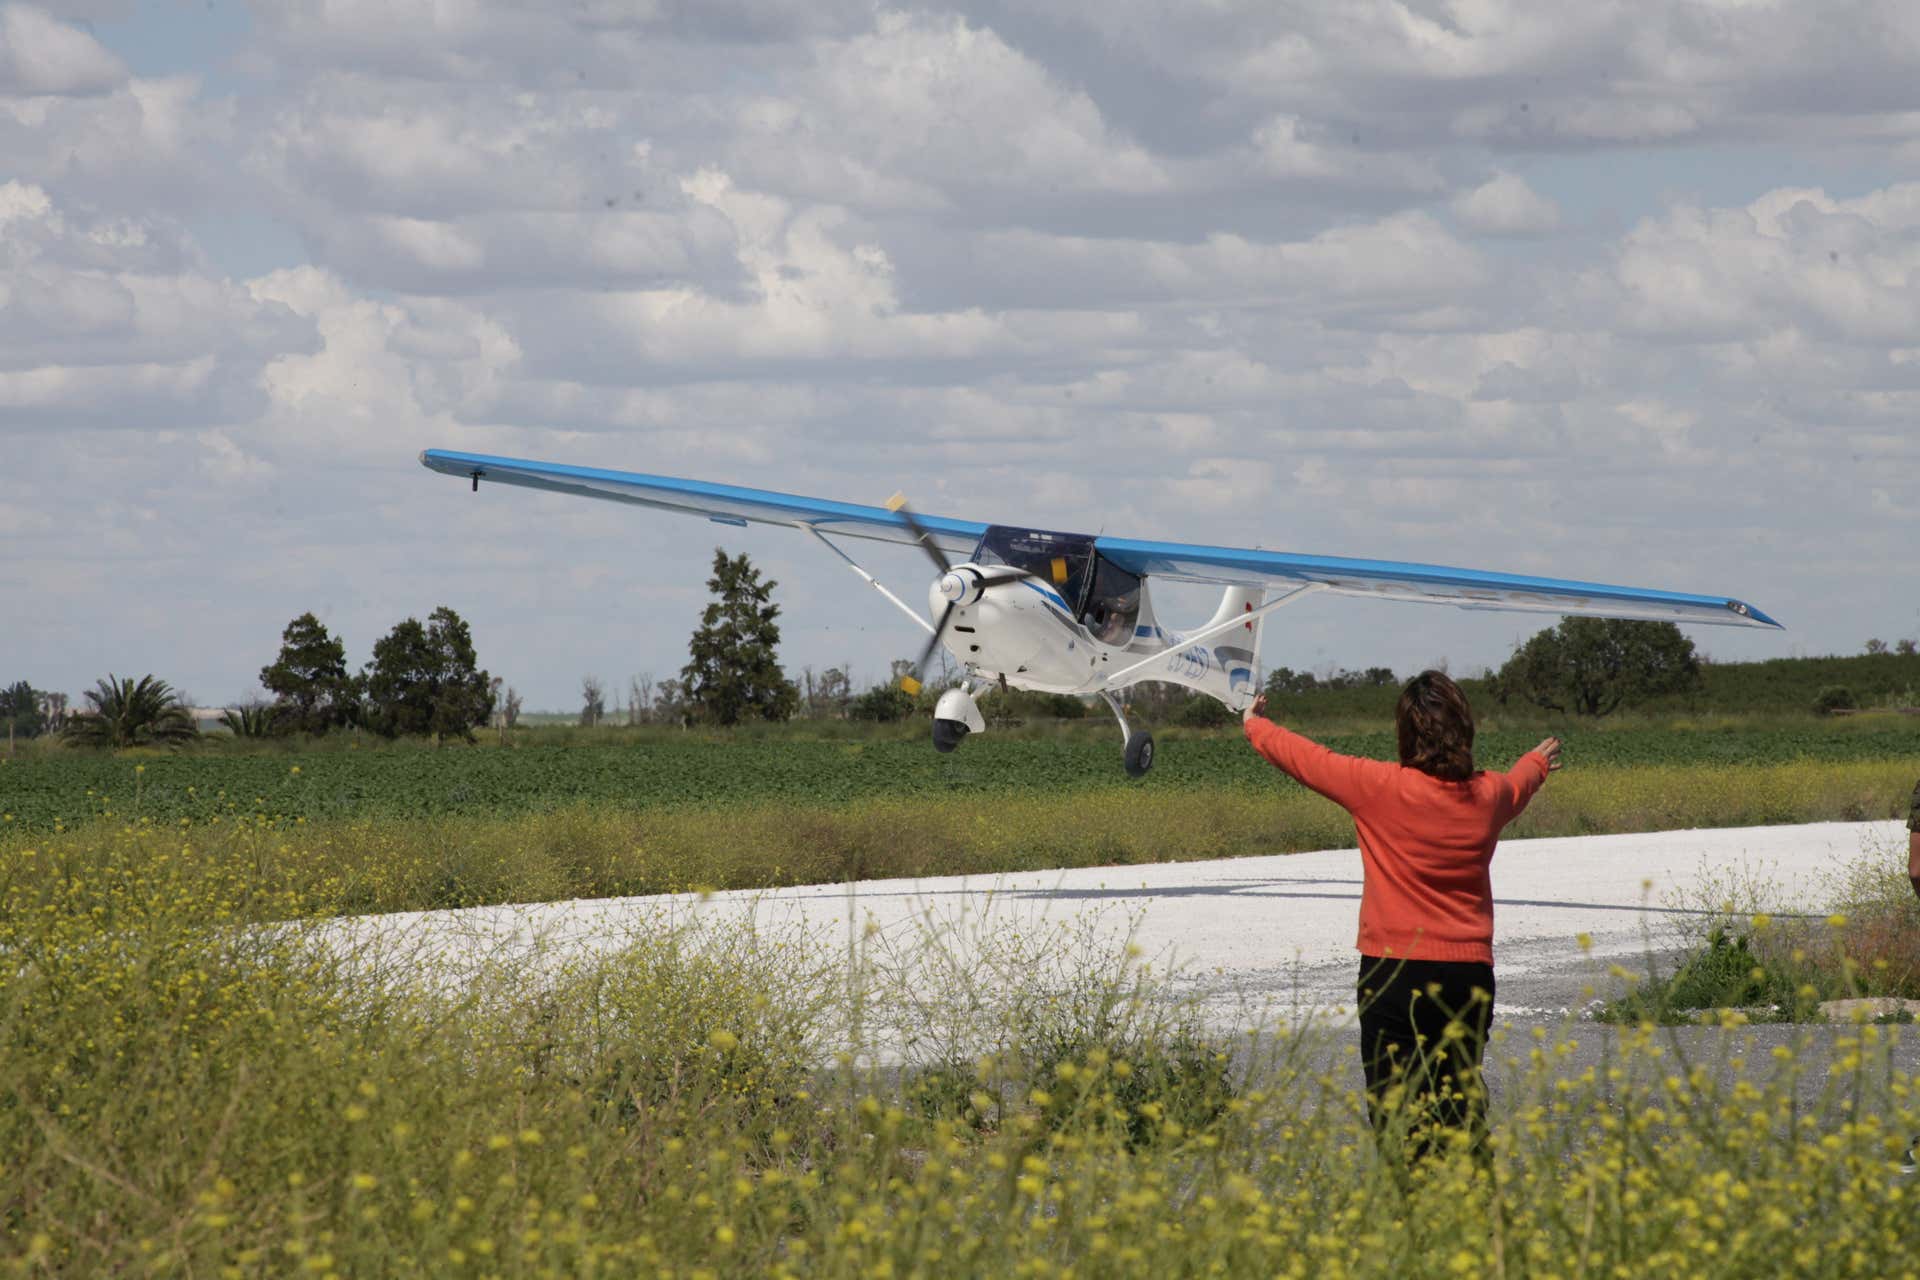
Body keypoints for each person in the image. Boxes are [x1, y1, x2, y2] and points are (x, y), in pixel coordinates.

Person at [1241, 670, 1561, 1159]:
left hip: (1393, 972)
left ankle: (1412, 1215)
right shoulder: (1489, 795)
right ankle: (1476, 1211)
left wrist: (1255, 726)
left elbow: (1307, 760)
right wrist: (1537, 762)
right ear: (1463, 730)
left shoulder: (1377, 786)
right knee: (1459, 1101)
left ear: (1406, 734)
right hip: (1467, 975)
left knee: (1395, 1114)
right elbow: (1518, 785)